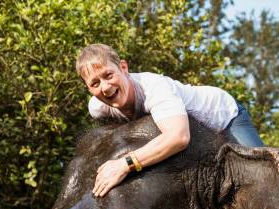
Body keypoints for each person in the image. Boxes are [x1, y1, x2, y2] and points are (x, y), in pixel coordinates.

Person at [76, 43, 264, 198]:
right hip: (193, 136)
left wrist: (124, 164)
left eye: (109, 75)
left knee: (260, 174)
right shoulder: (98, 108)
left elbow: (178, 137)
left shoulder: (154, 89)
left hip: (224, 117)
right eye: (95, 83)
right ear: (88, 88)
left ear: (123, 68)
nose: (106, 87)